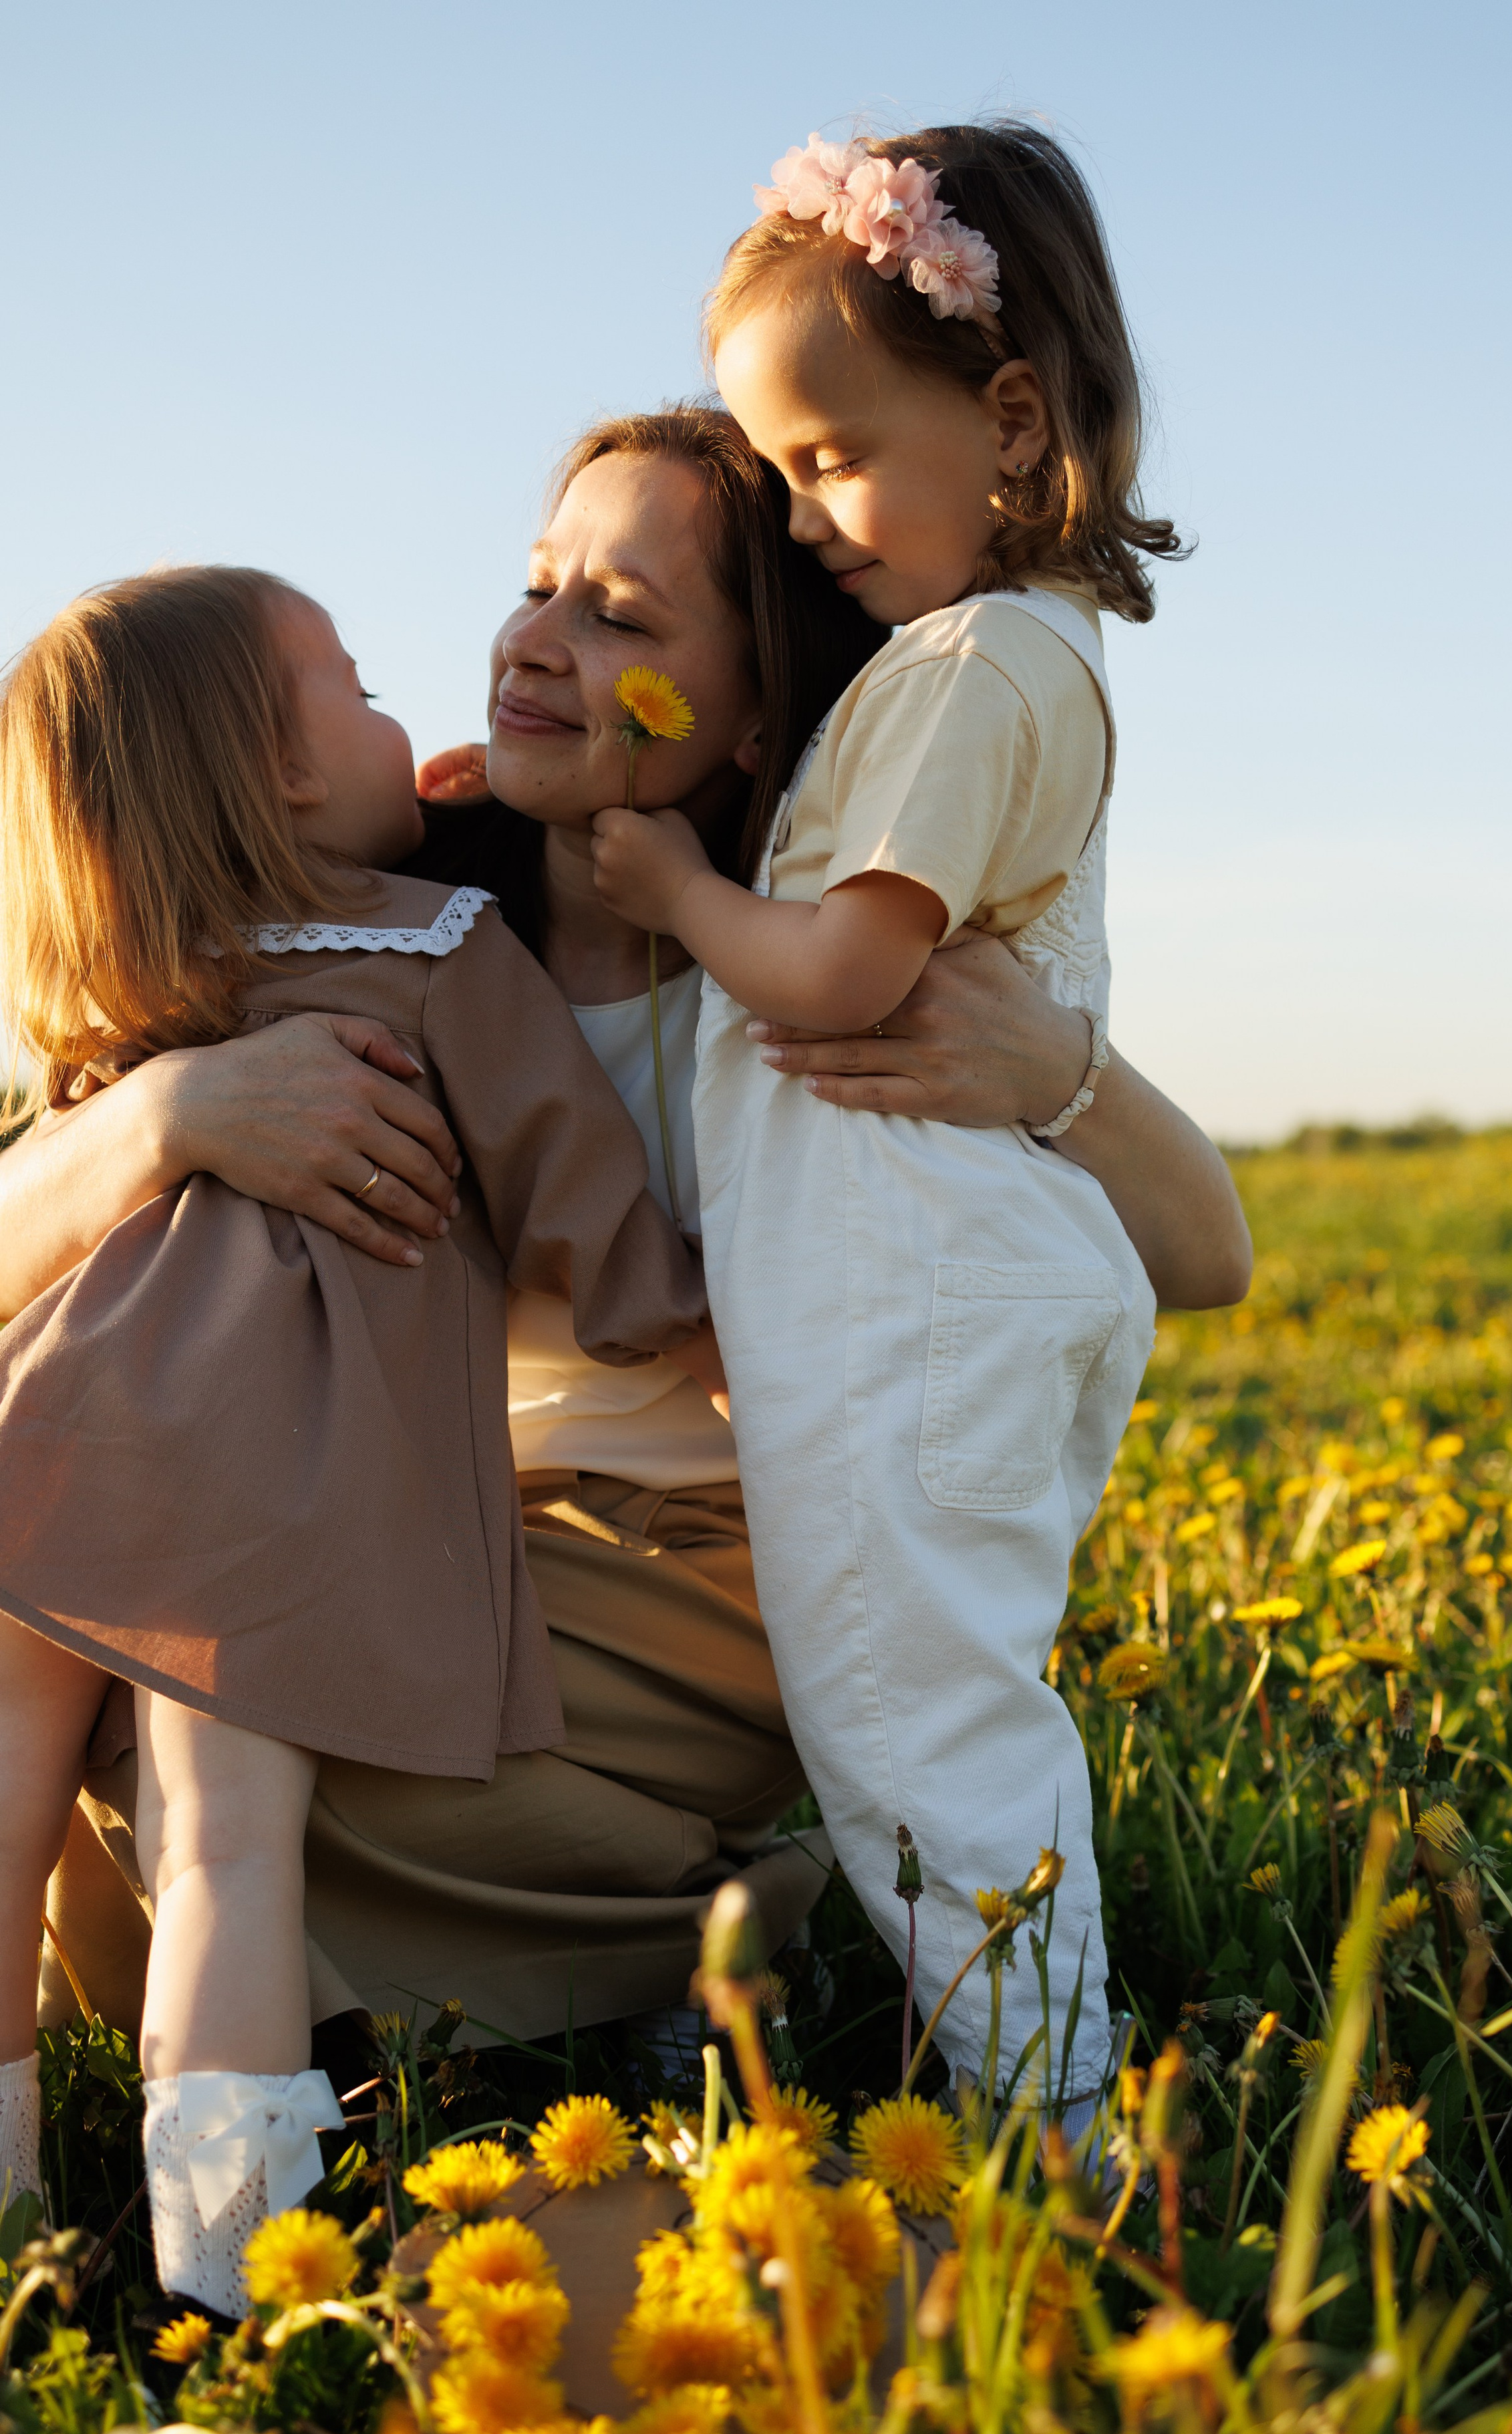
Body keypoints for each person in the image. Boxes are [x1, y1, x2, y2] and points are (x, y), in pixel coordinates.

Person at [4, 415, 1249, 2128]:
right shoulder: (388, 899)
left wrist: (1055, 1069)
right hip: (416, 1515)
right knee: (100, 1700)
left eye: (621, 620)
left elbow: (1208, 1253)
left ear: (755, 717)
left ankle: (686, 1955)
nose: (533, 642)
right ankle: (513, 1984)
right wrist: (171, 1115)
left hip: (710, 1567)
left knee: (226, 1760)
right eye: (537, 586)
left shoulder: (823, 956)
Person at [0, 565, 708, 2308]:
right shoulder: (437, 948)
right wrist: (690, 1312)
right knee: (228, 1854)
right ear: (285, 766)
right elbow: (579, 1203)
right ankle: (242, 2283)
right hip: (253, 1485)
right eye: (363, 688)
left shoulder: (128, 988)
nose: (405, 721)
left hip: (43, 1435)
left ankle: (12, 2228)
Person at [588, 125, 1185, 2115]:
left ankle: (1063, 2135)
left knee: (908, 1717)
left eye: (832, 458)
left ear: (1009, 421)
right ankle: (1007, 2069)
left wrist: (679, 889)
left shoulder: (973, 661)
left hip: (915, 1284)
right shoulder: (994, 657)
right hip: (951, 1272)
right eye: (777, 473)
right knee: (919, 1696)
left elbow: (849, 970)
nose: (802, 516)